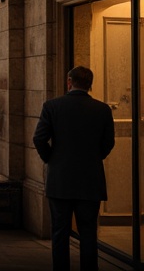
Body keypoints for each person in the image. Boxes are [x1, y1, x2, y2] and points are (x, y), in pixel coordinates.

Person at [33, 66, 115, 271]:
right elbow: (108, 142)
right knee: (88, 233)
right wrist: (94, 158)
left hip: (60, 180)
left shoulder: (52, 106)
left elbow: (39, 138)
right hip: (90, 180)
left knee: (60, 232)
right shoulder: (102, 109)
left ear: (69, 81)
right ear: (90, 84)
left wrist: (51, 159)